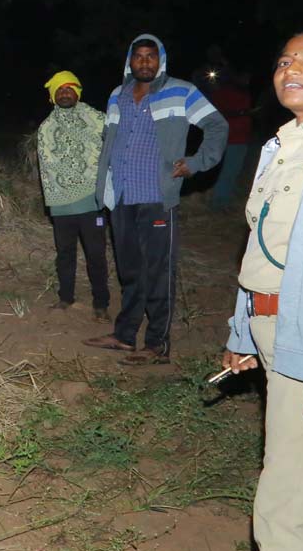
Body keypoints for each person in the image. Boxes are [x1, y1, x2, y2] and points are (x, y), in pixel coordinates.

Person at [220, 30, 303, 551]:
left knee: (284, 500)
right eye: (283, 59)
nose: (291, 67)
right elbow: (260, 247)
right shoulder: (280, 147)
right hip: (273, 329)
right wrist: (243, 332)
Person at [83, 34, 228, 364]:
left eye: (151, 56)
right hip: (120, 196)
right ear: (129, 61)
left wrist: (195, 163)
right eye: (139, 57)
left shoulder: (181, 91)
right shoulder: (117, 95)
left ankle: (157, 344)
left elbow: (216, 126)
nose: (144, 62)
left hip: (156, 198)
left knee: (158, 272)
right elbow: (110, 141)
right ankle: (124, 336)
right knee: (131, 270)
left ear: (160, 60)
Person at [36, 70, 110, 321]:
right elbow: (49, 166)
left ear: (77, 93)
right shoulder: (46, 128)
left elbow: (112, 149)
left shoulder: (97, 119)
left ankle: (101, 303)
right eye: (60, 89)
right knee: (65, 253)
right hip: (61, 204)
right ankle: (65, 297)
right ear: (52, 96)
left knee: (96, 253)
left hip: (93, 201)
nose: (65, 92)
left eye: (70, 88)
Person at [208, 69, 255, 210]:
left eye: (248, 78)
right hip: (230, 139)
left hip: (241, 138)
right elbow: (217, 112)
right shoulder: (224, 92)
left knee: (233, 171)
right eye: (244, 77)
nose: (247, 81)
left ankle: (225, 200)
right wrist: (242, 112)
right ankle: (219, 203)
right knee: (227, 171)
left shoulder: (244, 93)